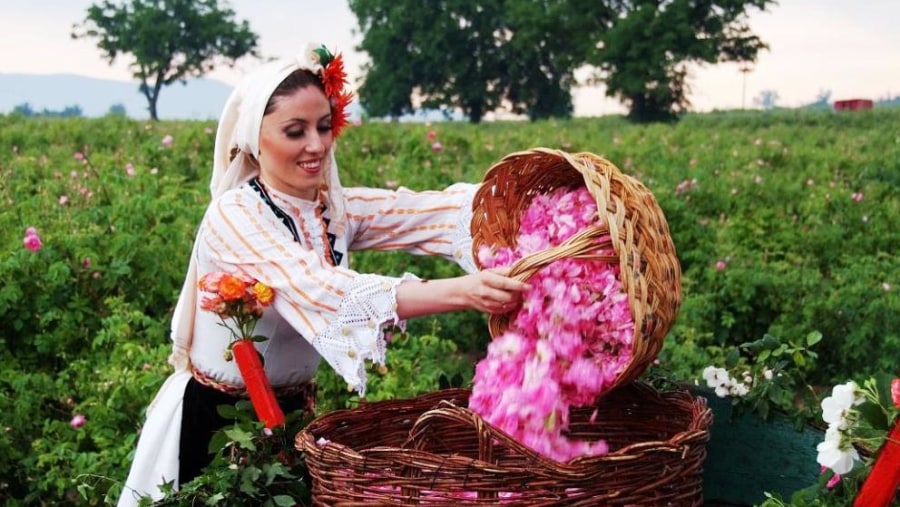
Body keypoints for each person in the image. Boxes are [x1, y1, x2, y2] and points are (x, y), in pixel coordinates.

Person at [117, 44, 528, 505]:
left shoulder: (330, 208)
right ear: (254, 138)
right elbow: (322, 287)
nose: (316, 145)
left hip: (292, 419)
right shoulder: (235, 215)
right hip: (219, 424)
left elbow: (419, 212)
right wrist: (463, 292)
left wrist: (527, 212)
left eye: (323, 126)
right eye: (295, 131)